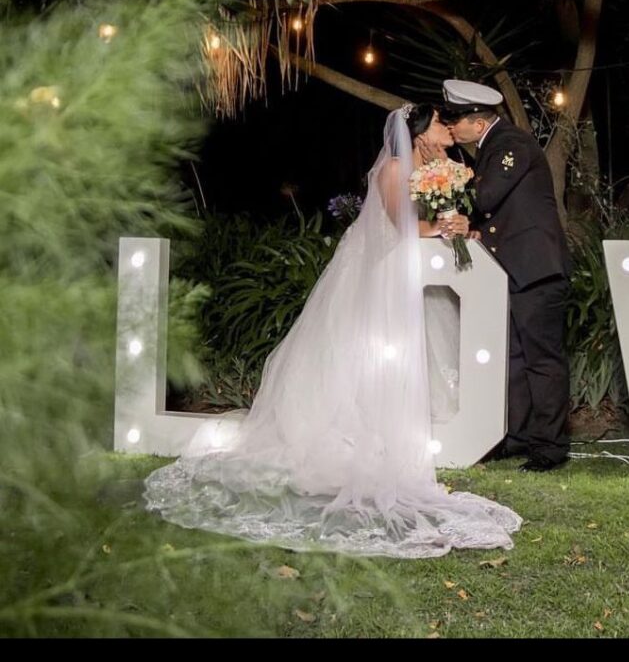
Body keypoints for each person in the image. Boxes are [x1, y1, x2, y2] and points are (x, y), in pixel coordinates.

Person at [143, 103, 521, 558]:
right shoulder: (397, 169)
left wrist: (459, 226)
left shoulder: (443, 168)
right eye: (441, 122)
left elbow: (433, 224)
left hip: (416, 280)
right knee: (365, 359)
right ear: (419, 133)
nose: (447, 128)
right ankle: (362, 435)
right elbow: (404, 228)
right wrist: (440, 225)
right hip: (380, 279)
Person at [439, 80, 572, 472]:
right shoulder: (490, 149)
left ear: (478, 123)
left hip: (537, 270)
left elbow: (485, 198)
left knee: (542, 360)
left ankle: (549, 447)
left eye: (455, 120)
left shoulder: (511, 144)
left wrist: (440, 176)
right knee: (513, 359)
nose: (451, 127)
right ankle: (516, 437)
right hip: (513, 271)